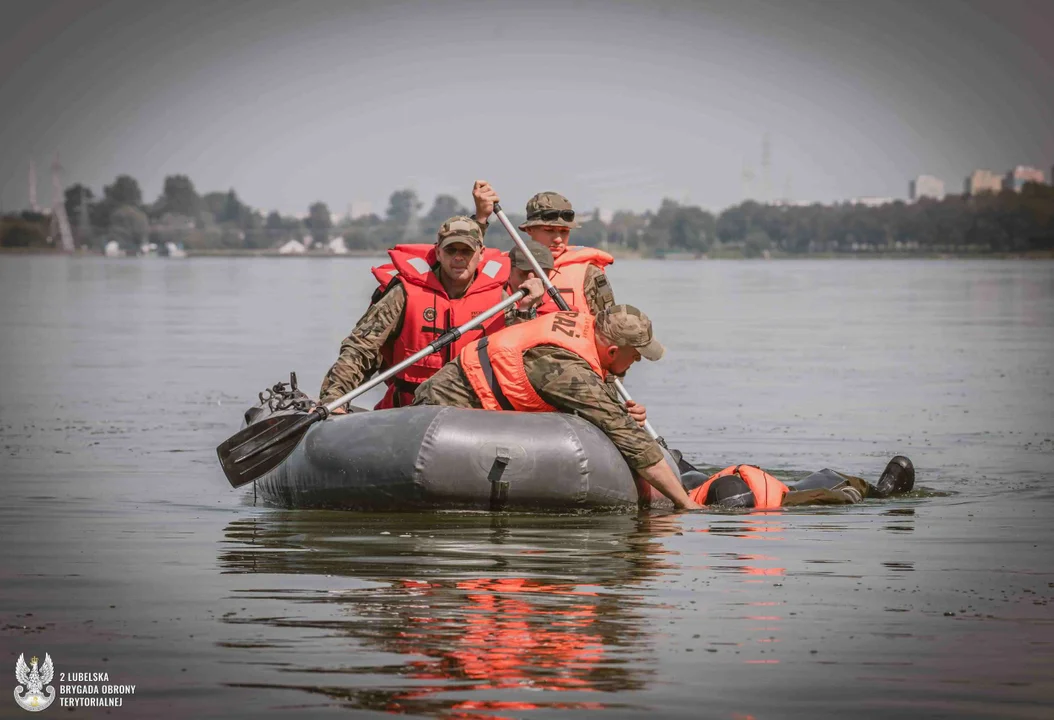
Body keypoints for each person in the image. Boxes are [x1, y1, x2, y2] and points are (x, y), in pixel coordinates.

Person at [413, 304, 702, 510]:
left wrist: (618, 408)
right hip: (444, 411)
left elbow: (597, 405)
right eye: (636, 356)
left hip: (472, 407)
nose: (637, 362)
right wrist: (685, 503)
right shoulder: (567, 369)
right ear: (613, 351)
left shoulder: (582, 326)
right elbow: (631, 440)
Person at [318, 216, 544, 411]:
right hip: (408, 410)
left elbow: (519, 360)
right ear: (438, 251)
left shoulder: (501, 300)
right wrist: (334, 399)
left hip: (473, 412)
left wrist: (526, 310)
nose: (458, 257)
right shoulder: (404, 294)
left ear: (481, 253)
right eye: (451, 250)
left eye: (466, 251)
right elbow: (360, 348)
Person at [472, 181, 616, 315]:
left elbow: (608, 324)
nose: (558, 239)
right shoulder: (507, 266)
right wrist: (481, 218)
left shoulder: (589, 273)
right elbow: (468, 263)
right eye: (549, 230)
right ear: (529, 230)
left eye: (564, 231)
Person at [677, 456, 916, 508]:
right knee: (834, 481)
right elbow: (818, 495)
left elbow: (815, 494)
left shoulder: (769, 501)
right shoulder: (694, 490)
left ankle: (882, 491)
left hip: (779, 489)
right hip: (778, 490)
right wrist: (842, 497)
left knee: (686, 474)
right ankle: (881, 492)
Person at [502, 239, 555, 326]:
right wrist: (524, 310)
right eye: (524, 273)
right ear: (508, 272)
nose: (532, 281)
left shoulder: (560, 312)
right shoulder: (492, 309)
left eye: (540, 275)